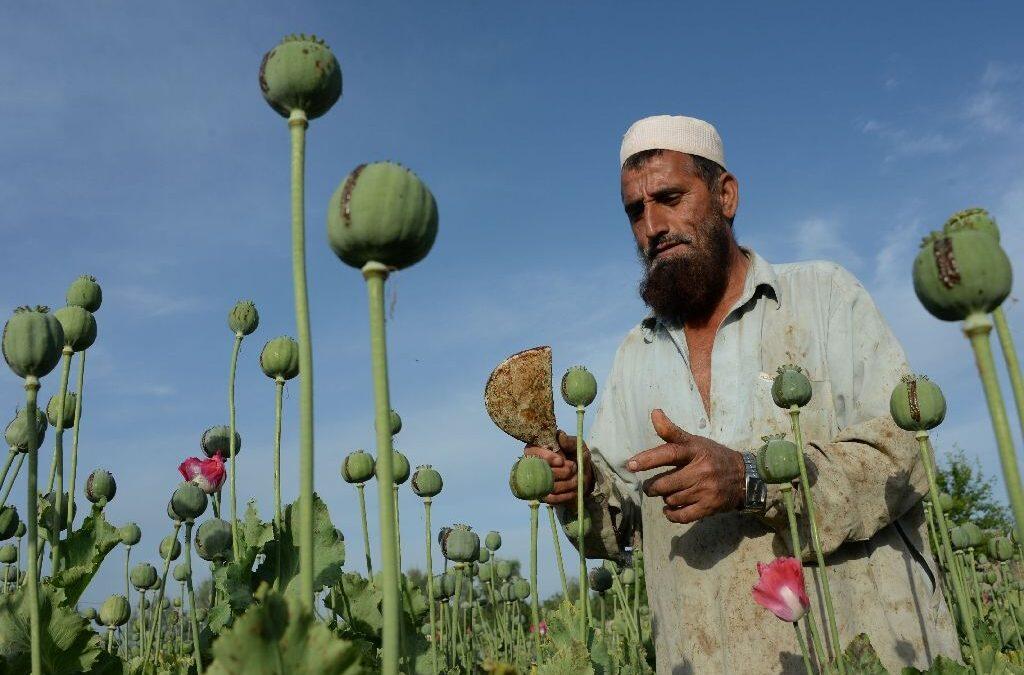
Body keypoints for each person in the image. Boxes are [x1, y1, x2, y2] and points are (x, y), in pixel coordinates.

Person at [524, 115, 960, 673]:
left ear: (726, 195)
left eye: (670, 197)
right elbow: (623, 528)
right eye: (636, 210)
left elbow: (903, 457)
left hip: (859, 652)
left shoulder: (824, 297)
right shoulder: (636, 353)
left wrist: (753, 479)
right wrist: (581, 488)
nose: (652, 226)